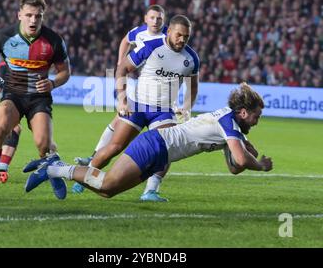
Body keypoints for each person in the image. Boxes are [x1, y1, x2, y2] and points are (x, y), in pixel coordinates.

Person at [24, 83, 273, 200]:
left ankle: (56, 170)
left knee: (107, 191)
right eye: (256, 116)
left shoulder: (230, 125)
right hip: (155, 144)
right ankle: (54, 168)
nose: (256, 121)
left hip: (160, 154)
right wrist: (259, 164)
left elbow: (234, 167)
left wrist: (240, 148)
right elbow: (240, 160)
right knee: (107, 181)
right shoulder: (229, 123)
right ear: (243, 112)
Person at [0, 0, 71, 202]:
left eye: (38, 16)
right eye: (29, 15)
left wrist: (53, 82)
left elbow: (65, 72)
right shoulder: (4, 37)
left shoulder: (53, 40)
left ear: (43, 16)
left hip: (39, 99)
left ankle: (50, 169)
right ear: (19, 15)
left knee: (44, 145)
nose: (33, 20)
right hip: (13, 96)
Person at [73, 5, 175, 201]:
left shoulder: (171, 41)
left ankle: (151, 190)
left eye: (159, 19)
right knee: (116, 140)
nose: (155, 21)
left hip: (160, 101)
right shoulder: (141, 35)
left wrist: (182, 103)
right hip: (139, 92)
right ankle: (86, 170)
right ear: (146, 18)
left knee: (166, 145)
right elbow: (125, 42)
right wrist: (121, 60)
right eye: (152, 18)